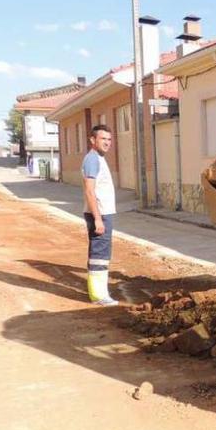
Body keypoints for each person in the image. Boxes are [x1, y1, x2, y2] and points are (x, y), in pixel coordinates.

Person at [82, 125, 118, 306]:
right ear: (93, 140)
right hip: (100, 214)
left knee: (101, 253)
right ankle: (98, 295)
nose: (107, 143)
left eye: (109, 139)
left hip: (103, 213)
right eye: (103, 139)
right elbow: (89, 190)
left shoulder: (98, 159)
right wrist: (97, 218)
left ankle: (99, 292)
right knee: (99, 254)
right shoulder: (92, 160)